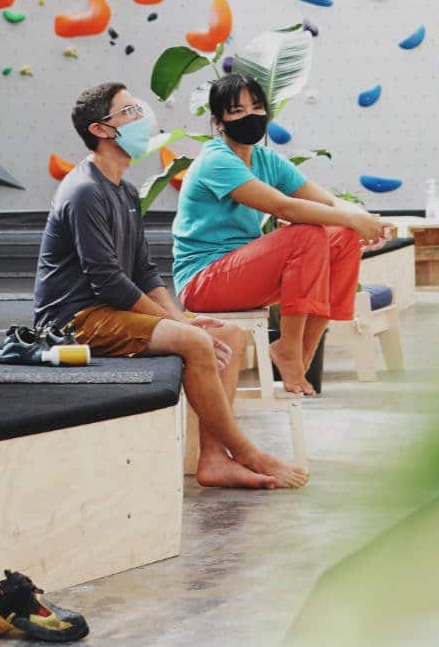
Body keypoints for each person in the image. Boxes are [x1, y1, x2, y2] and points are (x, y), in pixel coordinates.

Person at [33, 81, 308, 490]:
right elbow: (108, 281)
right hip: (75, 320)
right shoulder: (85, 191)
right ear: (101, 130)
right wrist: (180, 327)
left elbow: (143, 271)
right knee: (196, 342)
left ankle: (214, 460)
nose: (141, 118)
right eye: (128, 113)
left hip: (112, 312)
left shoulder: (124, 190)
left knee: (224, 334)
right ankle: (247, 452)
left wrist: (183, 319)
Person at [171, 72, 390, 397]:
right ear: (218, 122)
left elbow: (327, 200)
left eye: (257, 106)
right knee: (306, 235)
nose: (251, 116)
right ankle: (288, 347)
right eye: (238, 111)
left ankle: (301, 353)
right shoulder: (216, 161)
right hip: (204, 281)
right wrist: (354, 219)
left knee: (342, 236)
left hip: (245, 275)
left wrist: (363, 219)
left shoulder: (265, 159)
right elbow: (285, 209)